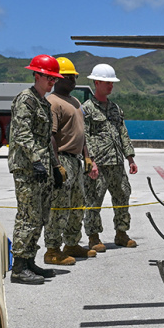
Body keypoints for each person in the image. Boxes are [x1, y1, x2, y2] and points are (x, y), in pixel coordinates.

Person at [8, 54, 64, 285]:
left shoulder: (44, 103)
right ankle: (19, 267)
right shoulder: (26, 100)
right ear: (36, 75)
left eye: (54, 78)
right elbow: (22, 134)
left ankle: (30, 261)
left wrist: (54, 167)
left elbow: (46, 139)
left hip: (42, 168)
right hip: (27, 168)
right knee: (27, 217)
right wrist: (36, 161)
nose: (52, 82)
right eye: (48, 77)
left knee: (40, 217)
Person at [43, 57, 100, 262]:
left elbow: (81, 134)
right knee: (59, 205)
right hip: (63, 159)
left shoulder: (75, 102)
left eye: (74, 77)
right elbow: (51, 137)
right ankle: (52, 250)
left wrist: (87, 157)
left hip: (76, 160)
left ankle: (72, 244)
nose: (73, 81)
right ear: (57, 79)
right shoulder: (53, 102)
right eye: (69, 77)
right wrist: (56, 165)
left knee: (78, 204)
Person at [82, 63, 138, 251]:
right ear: (97, 83)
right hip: (98, 164)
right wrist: (91, 162)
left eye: (112, 83)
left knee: (123, 195)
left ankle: (121, 233)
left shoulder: (115, 108)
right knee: (93, 200)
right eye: (107, 83)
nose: (111, 86)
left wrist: (130, 158)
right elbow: (84, 137)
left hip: (117, 163)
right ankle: (93, 237)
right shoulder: (87, 109)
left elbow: (123, 133)